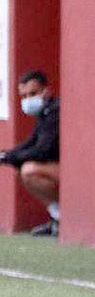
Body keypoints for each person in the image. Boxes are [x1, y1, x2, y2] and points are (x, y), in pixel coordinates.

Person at [1, 70, 60, 236]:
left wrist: (9, 157)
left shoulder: (55, 111)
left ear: (46, 91)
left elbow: (42, 150)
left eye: (33, 94)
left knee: (29, 170)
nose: (28, 100)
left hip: (75, 173)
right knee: (22, 170)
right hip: (57, 168)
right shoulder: (44, 113)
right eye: (24, 96)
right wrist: (6, 155)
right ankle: (58, 217)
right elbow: (30, 142)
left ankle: (65, 217)